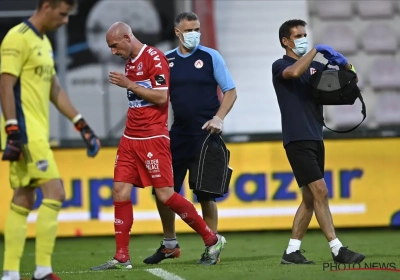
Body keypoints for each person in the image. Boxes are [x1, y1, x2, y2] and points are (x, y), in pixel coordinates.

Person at [90, 21, 226, 271]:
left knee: (165, 195)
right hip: (130, 138)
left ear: (127, 37)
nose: (112, 52)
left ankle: (212, 239)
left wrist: (130, 85)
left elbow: (162, 97)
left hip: (154, 137)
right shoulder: (129, 62)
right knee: (119, 192)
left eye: (114, 46)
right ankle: (122, 257)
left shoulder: (154, 57)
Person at [0, 1, 101, 280]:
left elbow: (55, 90)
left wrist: (82, 125)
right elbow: (5, 85)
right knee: (55, 193)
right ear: (47, 6)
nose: (66, 21)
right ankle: (43, 271)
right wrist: (12, 131)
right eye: (63, 14)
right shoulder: (17, 37)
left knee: (23, 198)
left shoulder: (43, 41)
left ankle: (9, 273)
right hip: (24, 132)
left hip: (36, 131)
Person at [143, 12, 237, 265]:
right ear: (177, 32)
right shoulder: (166, 60)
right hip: (177, 135)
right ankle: (170, 244)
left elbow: (230, 91)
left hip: (207, 135)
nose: (195, 33)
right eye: (190, 29)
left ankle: (212, 246)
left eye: (197, 28)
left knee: (206, 194)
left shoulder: (210, 56)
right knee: (164, 192)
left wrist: (219, 118)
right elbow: (157, 96)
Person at [272, 19, 365, 265]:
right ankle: (337, 250)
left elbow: (351, 82)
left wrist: (344, 62)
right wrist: (315, 49)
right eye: (299, 36)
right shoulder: (280, 65)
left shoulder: (315, 67)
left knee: (310, 198)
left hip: (315, 137)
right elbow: (293, 72)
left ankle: (291, 252)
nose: (304, 39)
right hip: (297, 138)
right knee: (321, 191)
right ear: (286, 41)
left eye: (305, 35)